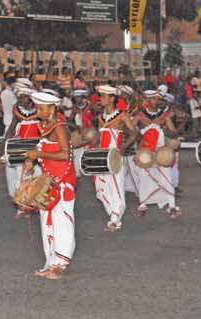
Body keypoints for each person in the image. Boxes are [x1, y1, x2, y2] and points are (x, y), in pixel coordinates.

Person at [23, 92, 76, 280]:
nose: (38, 112)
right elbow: (44, 149)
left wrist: (38, 156)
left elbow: (64, 155)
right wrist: (32, 160)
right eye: (37, 108)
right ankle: (51, 262)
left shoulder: (60, 127)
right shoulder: (46, 127)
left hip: (63, 182)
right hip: (49, 181)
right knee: (47, 223)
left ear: (52, 109)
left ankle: (60, 264)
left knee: (62, 223)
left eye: (41, 108)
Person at [93, 85, 139, 231]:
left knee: (116, 188)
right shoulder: (101, 117)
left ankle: (114, 218)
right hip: (101, 156)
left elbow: (134, 134)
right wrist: (81, 144)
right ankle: (114, 214)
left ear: (112, 98)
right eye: (100, 96)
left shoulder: (122, 115)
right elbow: (98, 136)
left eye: (104, 96)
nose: (100, 99)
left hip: (115, 157)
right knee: (101, 190)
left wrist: (124, 147)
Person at [132, 90, 181, 218]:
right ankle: (143, 204)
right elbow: (130, 131)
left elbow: (174, 132)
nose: (156, 101)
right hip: (145, 152)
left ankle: (171, 205)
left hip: (161, 152)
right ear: (147, 101)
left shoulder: (164, 116)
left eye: (158, 99)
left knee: (166, 177)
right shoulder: (139, 115)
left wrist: (166, 130)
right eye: (153, 99)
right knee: (143, 177)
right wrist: (138, 136)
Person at [4, 85, 39, 217]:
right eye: (19, 97)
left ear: (29, 98)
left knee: (38, 177)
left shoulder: (40, 110)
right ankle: (23, 207)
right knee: (22, 176)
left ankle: (37, 204)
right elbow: (13, 125)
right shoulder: (17, 110)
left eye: (22, 97)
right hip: (20, 148)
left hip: (37, 147)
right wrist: (6, 143)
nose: (19, 100)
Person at [70, 89, 94, 177]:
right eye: (76, 97)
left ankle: (87, 169)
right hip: (78, 134)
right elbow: (70, 122)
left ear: (83, 97)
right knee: (77, 152)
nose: (77, 99)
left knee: (88, 151)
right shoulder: (74, 109)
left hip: (89, 134)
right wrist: (76, 127)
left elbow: (95, 120)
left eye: (79, 97)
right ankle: (77, 172)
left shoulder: (90, 107)